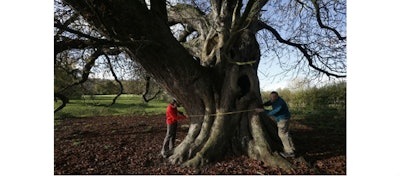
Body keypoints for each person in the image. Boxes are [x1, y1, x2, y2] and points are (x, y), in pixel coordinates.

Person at [255, 91, 296, 158]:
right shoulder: (275, 100)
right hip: (284, 118)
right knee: (286, 133)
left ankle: (290, 152)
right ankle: (292, 148)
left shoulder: (280, 104)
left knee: (282, 134)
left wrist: (263, 110)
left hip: (283, 119)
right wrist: (263, 104)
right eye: (270, 97)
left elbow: (272, 112)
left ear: (276, 97)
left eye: (272, 97)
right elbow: (270, 102)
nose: (271, 99)